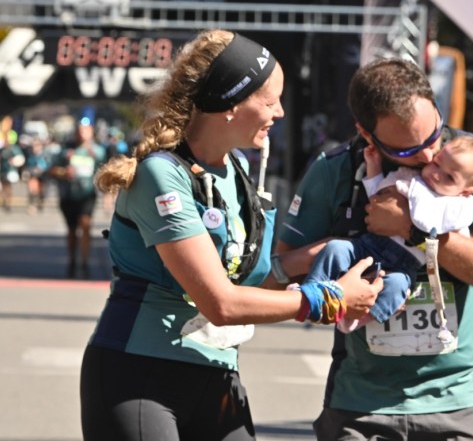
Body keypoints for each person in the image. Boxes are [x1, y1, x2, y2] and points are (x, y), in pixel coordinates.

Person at [79, 30, 382, 441]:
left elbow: (248, 283)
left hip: (217, 374)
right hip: (139, 373)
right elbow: (221, 302)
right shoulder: (161, 173)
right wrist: (329, 298)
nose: (280, 112)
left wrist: (312, 257)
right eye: (270, 101)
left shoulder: (237, 168)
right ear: (231, 102)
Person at [276, 57, 473, 440]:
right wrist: (336, 259)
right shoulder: (333, 170)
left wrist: (412, 228)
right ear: (366, 134)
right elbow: (277, 275)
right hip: (359, 403)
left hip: (459, 400)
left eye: (434, 134)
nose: (429, 157)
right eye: (408, 151)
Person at [305, 135, 473, 332]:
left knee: (397, 286)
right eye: (437, 164)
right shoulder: (409, 179)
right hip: (369, 247)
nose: (437, 174)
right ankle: (312, 289)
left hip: (404, 266)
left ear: (466, 191)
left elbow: (457, 251)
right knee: (336, 247)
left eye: (450, 177)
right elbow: (377, 196)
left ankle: (360, 318)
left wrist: (413, 231)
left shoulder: (457, 210)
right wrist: (374, 166)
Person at [49, 120, 107, 278]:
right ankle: (72, 260)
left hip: (87, 194)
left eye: (85, 131)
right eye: (80, 131)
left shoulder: (98, 151)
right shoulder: (66, 150)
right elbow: (52, 170)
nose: (82, 134)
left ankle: (85, 262)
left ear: (91, 133)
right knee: (72, 230)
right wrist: (64, 172)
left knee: (86, 224)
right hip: (68, 195)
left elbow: (105, 169)